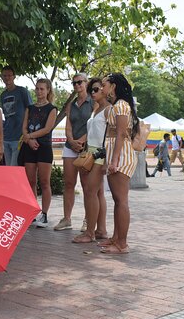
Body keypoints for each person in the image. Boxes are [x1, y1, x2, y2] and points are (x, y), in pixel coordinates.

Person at [99, 73, 138, 255]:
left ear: (113, 86)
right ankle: (116, 238)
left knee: (121, 200)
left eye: (105, 84)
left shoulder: (121, 105)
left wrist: (114, 161)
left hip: (121, 156)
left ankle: (122, 244)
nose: (102, 87)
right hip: (117, 154)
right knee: (117, 200)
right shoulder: (116, 106)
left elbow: (121, 134)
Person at [54, 73, 93, 232]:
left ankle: (88, 220)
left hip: (87, 146)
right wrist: (70, 141)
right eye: (74, 83)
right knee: (69, 183)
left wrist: (82, 141)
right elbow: (68, 126)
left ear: (86, 83)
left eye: (80, 82)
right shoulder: (71, 105)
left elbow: (94, 126)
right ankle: (67, 218)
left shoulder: (93, 102)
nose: (77, 86)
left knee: (86, 185)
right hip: (71, 146)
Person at [72, 78, 108, 243]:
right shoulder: (96, 109)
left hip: (100, 153)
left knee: (90, 192)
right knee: (97, 192)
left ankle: (90, 233)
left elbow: (114, 135)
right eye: (91, 90)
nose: (92, 93)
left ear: (104, 89)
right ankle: (100, 230)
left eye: (96, 89)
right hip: (91, 152)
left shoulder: (109, 109)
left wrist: (108, 158)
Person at [19, 79, 57, 228]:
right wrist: (28, 140)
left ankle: (45, 214)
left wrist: (30, 136)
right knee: (30, 181)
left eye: (42, 89)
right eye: (37, 89)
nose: (39, 92)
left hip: (44, 147)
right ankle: (33, 212)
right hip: (29, 146)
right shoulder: (29, 108)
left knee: (44, 182)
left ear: (48, 90)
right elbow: (24, 128)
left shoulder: (52, 109)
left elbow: (47, 129)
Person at [0, 66, 32, 166]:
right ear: (1, 77)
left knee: (14, 166)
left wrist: (27, 133)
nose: (7, 78)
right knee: (8, 168)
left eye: (9, 75)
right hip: (6, 136)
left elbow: (30, 110)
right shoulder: (3, 95)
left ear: (14, 77)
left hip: (19, 136)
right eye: (4, 76)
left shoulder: (22, 91)